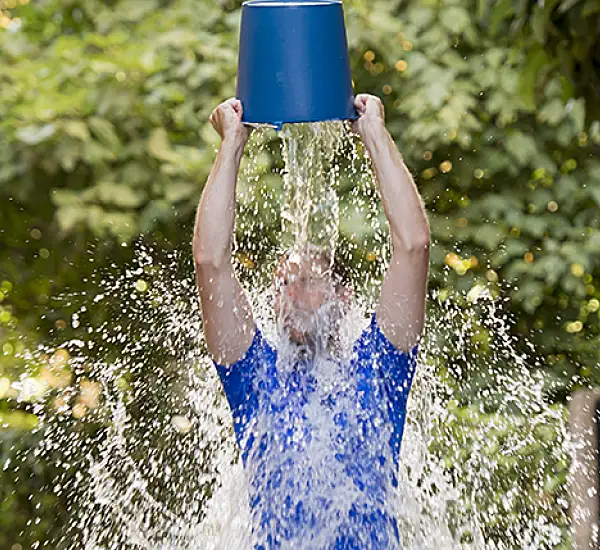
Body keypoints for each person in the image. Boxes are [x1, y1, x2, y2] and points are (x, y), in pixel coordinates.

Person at [193, 94, 430, 549]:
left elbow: (414, 245)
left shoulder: (379, 371)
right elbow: (210, 261)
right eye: (283, 285)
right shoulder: (254, 380)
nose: (292, 295)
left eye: (306, 281)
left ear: (343, 296)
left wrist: (374, 135)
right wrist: (232, 145)